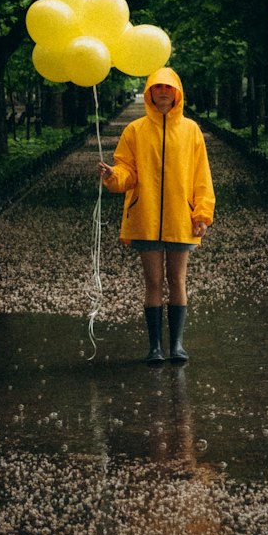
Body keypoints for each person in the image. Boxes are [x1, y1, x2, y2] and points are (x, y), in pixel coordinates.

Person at [98, 67, 215, 365]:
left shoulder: (191, 131)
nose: (163, 93)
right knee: (153, 281)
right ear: (149, 93)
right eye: (158, 88)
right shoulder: (135, 131)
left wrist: (202, 213)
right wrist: (113, 175)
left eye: (169, 88)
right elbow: (126, 171)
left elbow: (202, 177)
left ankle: (176, 345)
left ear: (177, 94)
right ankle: (155, 348)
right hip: (145, 216)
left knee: (177, 279)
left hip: (181, 218)